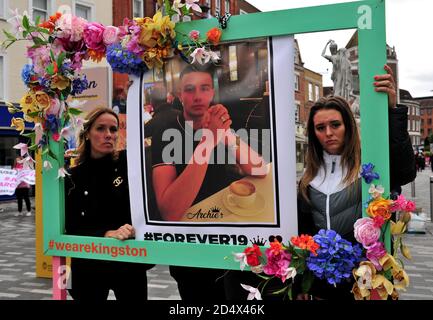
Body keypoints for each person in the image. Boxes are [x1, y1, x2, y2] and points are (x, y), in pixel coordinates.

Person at [296, 65, 416, 300]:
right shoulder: (308, 179)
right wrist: (302, 284)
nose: (328, 132)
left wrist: (392, 111)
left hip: (364, 281)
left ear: (348, 126)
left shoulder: (369, 168)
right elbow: (303, 234)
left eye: (335, 125)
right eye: (320, 128)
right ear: (313, 133)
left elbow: (405, 172)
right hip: (322, 286)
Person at [150, 65, 268, 300]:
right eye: (189, 89)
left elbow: (259, 168)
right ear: (179, 95)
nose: (197, 96)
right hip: (191, 252)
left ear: (212, 93)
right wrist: (208, 142)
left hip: (230, 246)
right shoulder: (166, 130)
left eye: (204, 89)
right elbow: (170, 210)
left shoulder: (219, 128)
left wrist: (224, 134)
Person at [64, 107, 152, 300]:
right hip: (89, 265)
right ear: (87, 133)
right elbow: (70, 224)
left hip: (128, 262)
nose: (108, 135)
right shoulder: (72, 176)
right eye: (101, 128)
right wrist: (105, 234)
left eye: (113, 129)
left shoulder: (128, 162)